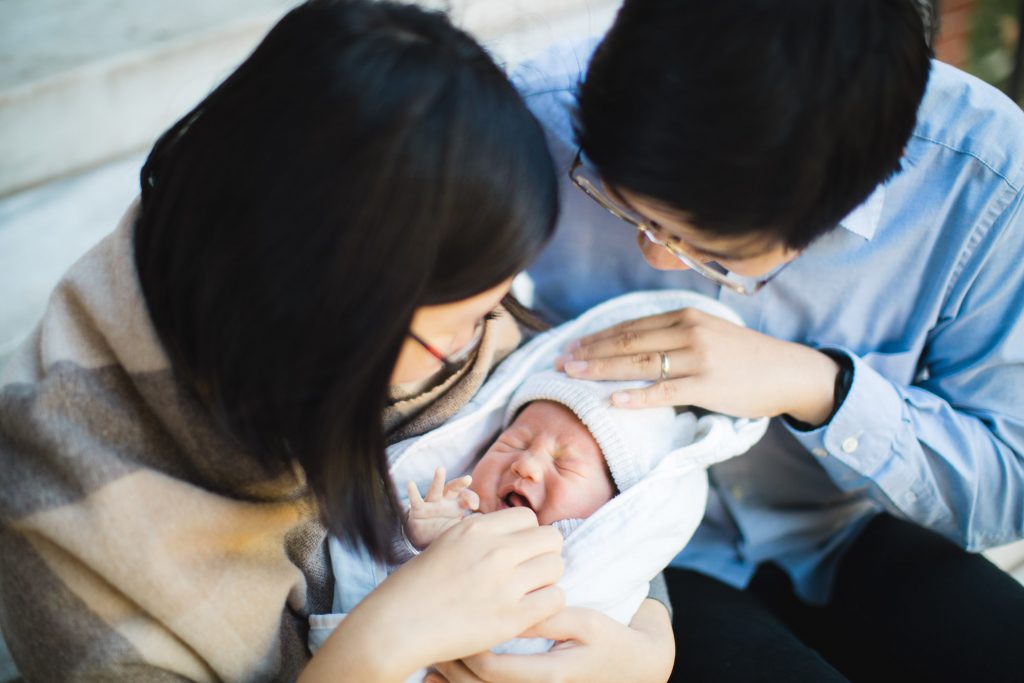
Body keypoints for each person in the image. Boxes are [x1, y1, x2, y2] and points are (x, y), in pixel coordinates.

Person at [0, 2, 676, 682]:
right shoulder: (66, 504)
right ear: (330, 312)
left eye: (491, 307)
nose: (487, 339)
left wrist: (647, 642)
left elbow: (604, 470)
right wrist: (379, 645)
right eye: (453, 334)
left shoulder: (418, 263)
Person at [514, 0, 1024, 680]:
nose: (658, 257)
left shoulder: (988, 182)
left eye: (708, 250)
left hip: (851, 524)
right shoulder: (531, 114)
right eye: (621, 205)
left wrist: (819, 386)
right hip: (633, 555)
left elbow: (1007, 484)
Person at [314, 292, 768, 679]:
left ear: (614, 506)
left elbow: (619, 567)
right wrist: (421, 536)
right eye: (512, 443)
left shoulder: (603, 556)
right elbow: (400, 575)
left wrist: (654, 638)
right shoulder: (467, 514)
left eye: (565, 464)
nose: (527, 465)